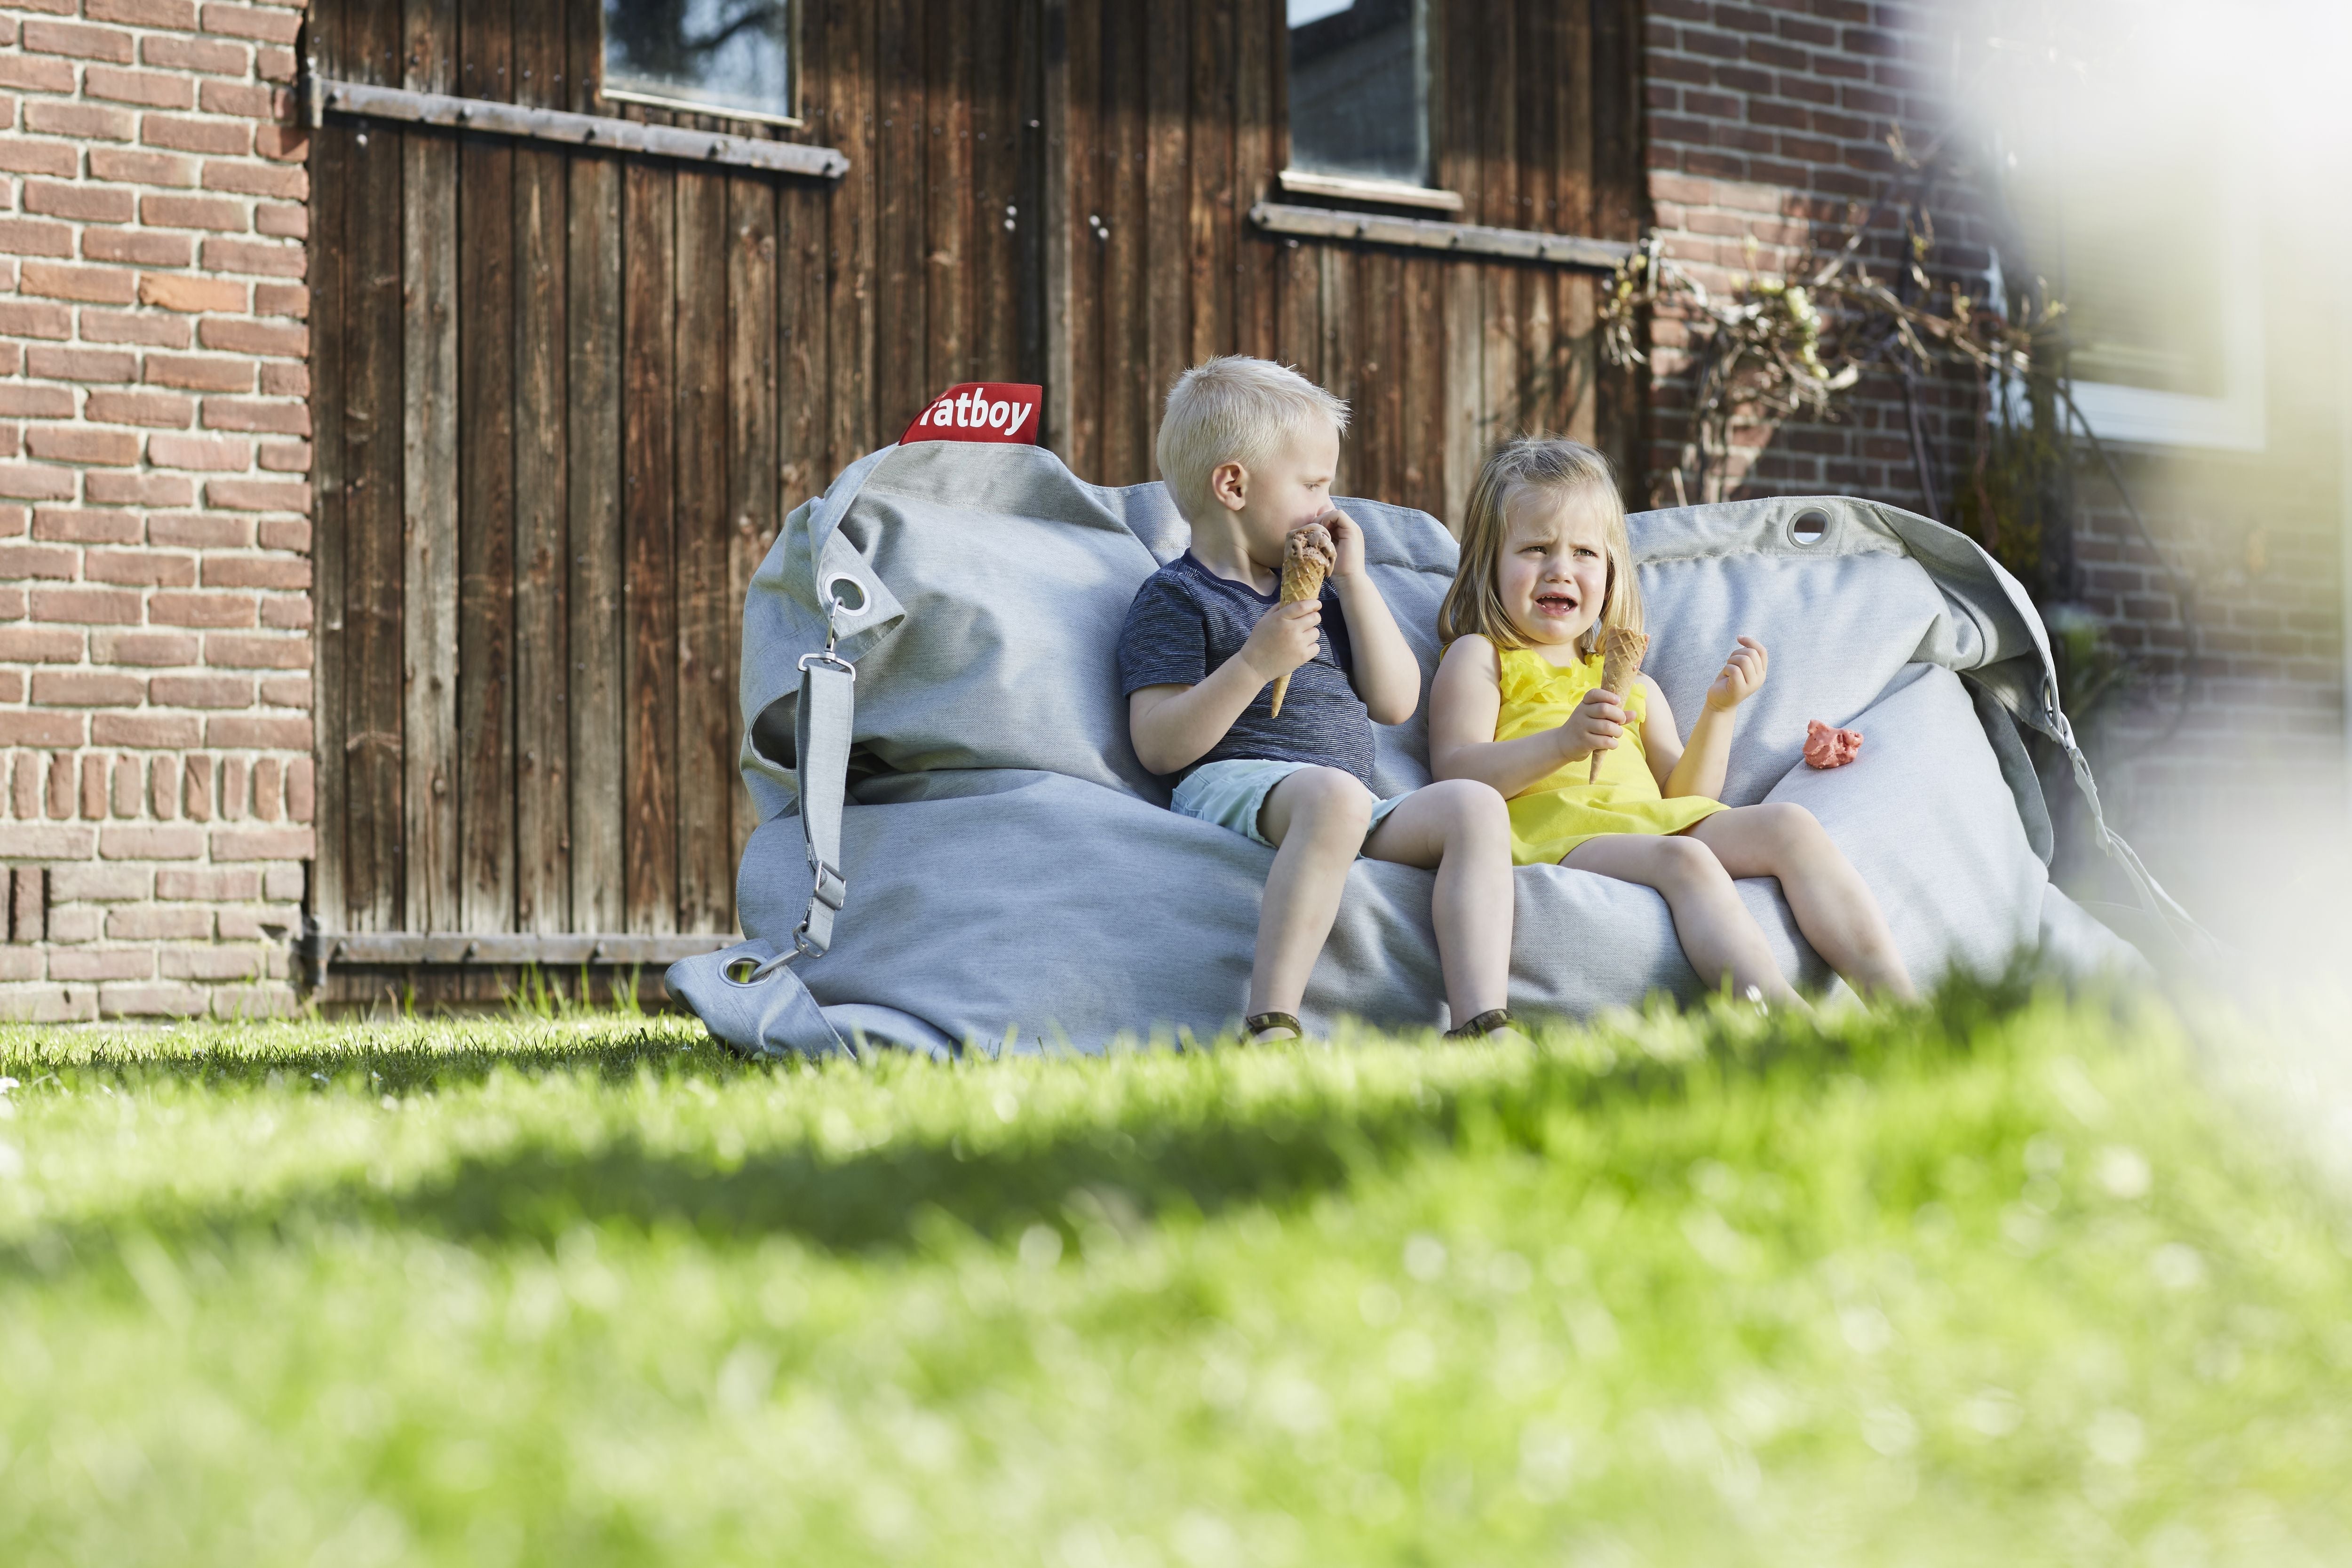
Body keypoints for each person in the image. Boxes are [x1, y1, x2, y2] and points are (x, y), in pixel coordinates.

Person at [1425, 436, 1916, 1006]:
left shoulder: (1635, 685)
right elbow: (1456, 774)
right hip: (1559, 834)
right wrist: (1562, 744)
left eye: (1585, 553)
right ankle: (1780, 1020)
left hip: (1648, 820)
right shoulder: (1480, 657)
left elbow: (1685, 793)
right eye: (1535, 548)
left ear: (1611, 571)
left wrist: (1719, 711)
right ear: (1490, 561)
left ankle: (1901, 1006)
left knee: (1790, 825)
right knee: (1684, 858)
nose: (1561, 570)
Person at [1117, 357, 1519, 1044]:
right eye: (1313, 484)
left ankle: (1480, 1021)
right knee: (1333, 798)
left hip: (1352, 801)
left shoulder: (1327, 591)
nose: (1330, 506)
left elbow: (1395, 702)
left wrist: (1359, 584)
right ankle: (1271, 1021)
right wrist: (1253, 663)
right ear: (1233, 486)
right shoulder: (1177, 596)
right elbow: (1157, 742)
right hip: (1235, 786)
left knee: (1475, 806)